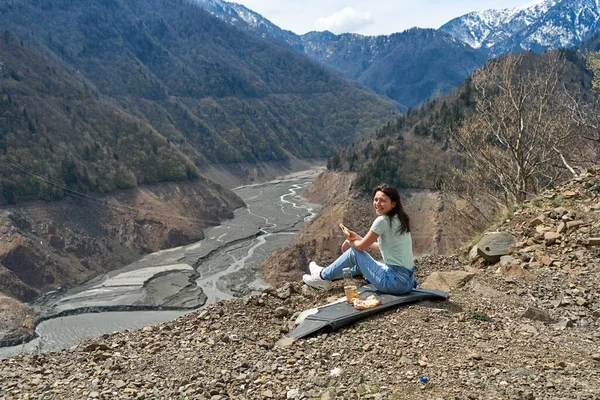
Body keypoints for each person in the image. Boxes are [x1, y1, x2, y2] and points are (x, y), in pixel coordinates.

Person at [303, 184, 417, 295]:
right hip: (407, 282)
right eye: (375, 200)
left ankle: (322, 277)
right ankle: (326, 273)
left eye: (382, 200)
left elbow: (361, 247)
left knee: (354, 253)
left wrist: (351, 242)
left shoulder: (382, 221)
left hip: (394, 284)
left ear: (393, 203)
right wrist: (358, 238)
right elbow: (383, 247)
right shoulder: (400, 219)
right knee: (360, 265)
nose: (377, 204)